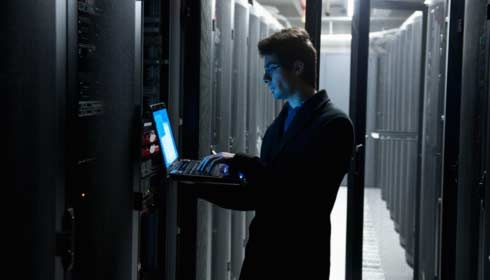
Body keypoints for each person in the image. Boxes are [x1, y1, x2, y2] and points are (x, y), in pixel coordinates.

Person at [195, 27, 354, 280]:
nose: (265, 78)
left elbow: (295, 195)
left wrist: (239, 161)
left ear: (298, 68)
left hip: (299, 260)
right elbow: (259, 195)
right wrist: (196, 185)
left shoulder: (334, 125)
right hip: (262, 256)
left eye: (271, 68)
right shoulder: (280, 122)